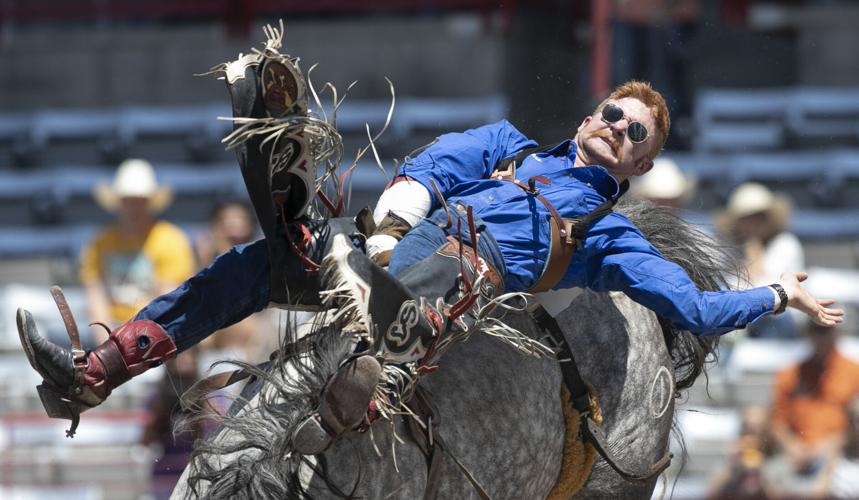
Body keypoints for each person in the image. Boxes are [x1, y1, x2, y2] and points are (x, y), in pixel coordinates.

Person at [16, 25, 842, 455]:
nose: (616, 129)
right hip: (381, 257)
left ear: (640, 162)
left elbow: (692, 307)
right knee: (253, 265)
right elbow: (432, 168)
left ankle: (363, 327)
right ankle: (98, 370)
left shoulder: (606, 234)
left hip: (451, 296)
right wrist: (387, 229)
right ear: (589, 119)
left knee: (396, 293)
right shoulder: (509, 143)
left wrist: (779, 292)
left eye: (634, 134)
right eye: (611, 115)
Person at [79, 158, 196, 343]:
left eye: (140, 200)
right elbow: (96, 296)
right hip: (112, 327)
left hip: (153, 331)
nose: (134, 207)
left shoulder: (170, 240)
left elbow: (166, 300)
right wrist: (105, 344)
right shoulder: (100, 243)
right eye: (128, 200)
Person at [763, 323, 859, 498]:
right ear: (808, 334)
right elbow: (776, 421)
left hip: (838, 452)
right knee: (769, 478)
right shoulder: (790, 374)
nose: (822, 337)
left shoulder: (854, 371)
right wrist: (792, 447)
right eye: (817, 330)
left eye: (826, 331)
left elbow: (855, 423)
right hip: (796, 452)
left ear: (837, 333)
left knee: (832, 484)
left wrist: (830, 446)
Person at [717, 182, 805, 338]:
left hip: (780, 318)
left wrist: (753, 251)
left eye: (759, 217)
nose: (754, 223)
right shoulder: (729, 250)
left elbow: (772, 290)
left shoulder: (785, 244)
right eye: (748, 218)